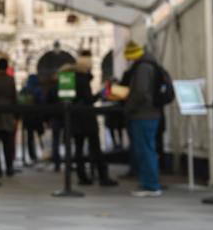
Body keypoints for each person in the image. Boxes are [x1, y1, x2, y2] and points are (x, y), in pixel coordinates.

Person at [64, 51, 118, 187]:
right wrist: (101, 94)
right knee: (95, 148)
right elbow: (88, 100)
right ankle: (102, 176)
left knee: (78, 148)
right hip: (86, 118)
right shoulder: (82, 80)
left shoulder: (68, 78)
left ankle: (82, 177)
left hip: (74, 118)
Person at [123, 41, 162, 197]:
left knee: (145, 149)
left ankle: (151, 185)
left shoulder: (143, 68)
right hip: (150, 114)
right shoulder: (150, 64)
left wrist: (129, 107)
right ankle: (149, 182)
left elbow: (141, 92)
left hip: (143, 114)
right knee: (147, 148)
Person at [19, 74, 45, 167]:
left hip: (27, 117)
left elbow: (20, 103)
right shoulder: (38, 89)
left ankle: (32, 155)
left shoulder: (24, 90)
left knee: (30, 137)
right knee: (40, 135)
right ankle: (43, 153)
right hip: (37, 117)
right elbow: (42, 102)